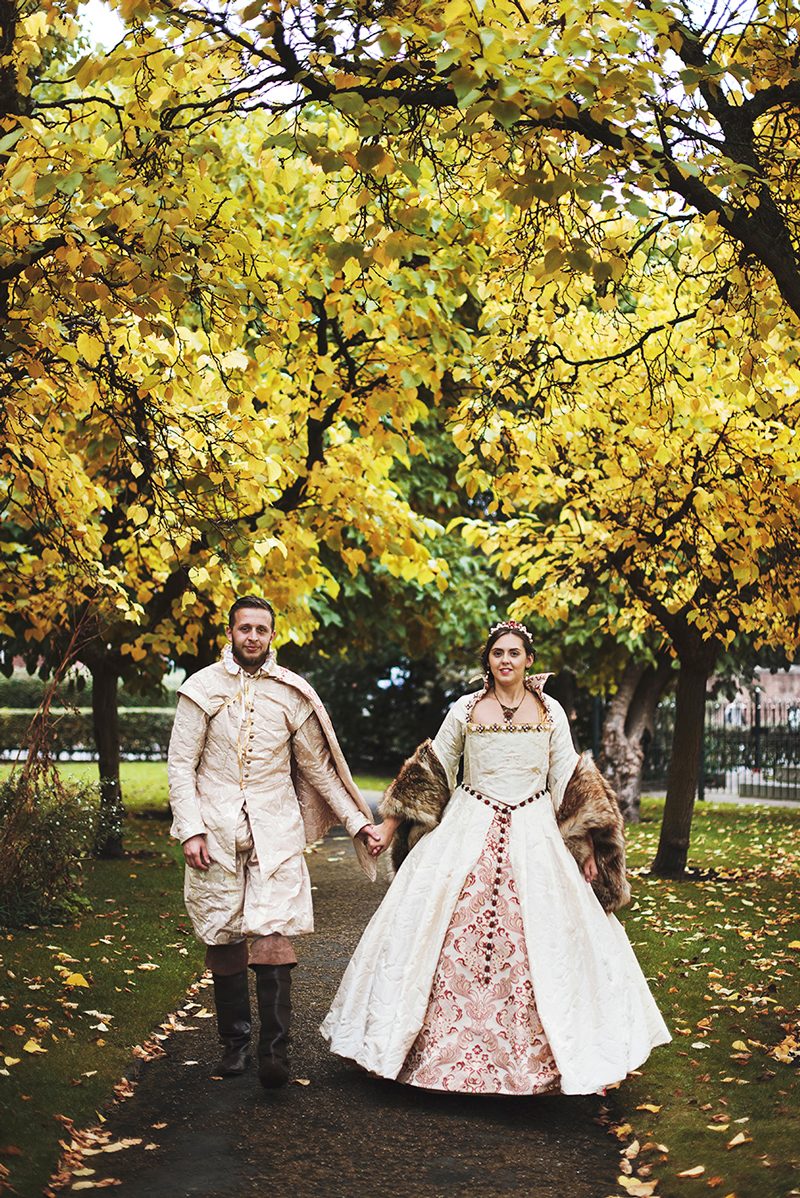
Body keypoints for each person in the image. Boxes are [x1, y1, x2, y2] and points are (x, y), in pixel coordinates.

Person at [321, 620, 670, 1095]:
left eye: (515, 653)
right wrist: (388, 823)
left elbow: (567, 777)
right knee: (436, 930)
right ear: (488, 660)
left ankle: (540, 1063)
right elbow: (435, 766)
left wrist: (588, 845)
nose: (506, 660)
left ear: (529, 660)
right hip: (469, 822)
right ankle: (422, 1052)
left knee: (545, 939)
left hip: (535, 829)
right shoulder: (466, 709)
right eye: (498, 653)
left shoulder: (552, 712)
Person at [168, 595, 380, 1088]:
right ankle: (235, 1044)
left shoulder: (290, 694)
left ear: (272, 636)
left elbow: (319, 771)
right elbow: (180, 766)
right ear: (230, 632)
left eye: (261, 629)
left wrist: (358, 822)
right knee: (221, 936)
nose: (253, 637)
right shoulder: (200, 689)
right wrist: (192, 829)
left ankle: (273, 1051)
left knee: (273, 933)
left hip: (276, 831)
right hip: (215, 831)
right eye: (245, 628)